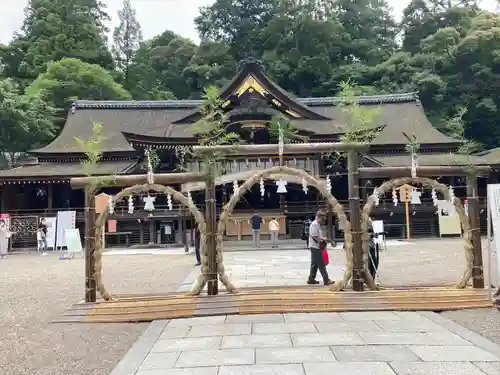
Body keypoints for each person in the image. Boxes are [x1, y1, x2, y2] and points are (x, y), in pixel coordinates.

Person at [308, 210, 334, 285]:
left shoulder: (317, 224)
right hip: (315, 246)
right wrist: (321, 241)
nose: (323, 221)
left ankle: (311, 278)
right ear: (318, 217)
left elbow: (317, 235)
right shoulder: (314, 225)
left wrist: (322, 238)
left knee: (314, 264)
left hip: (315, 246)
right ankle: (326, 279)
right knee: (321, 263)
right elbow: (314, 236)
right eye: (322, 219)